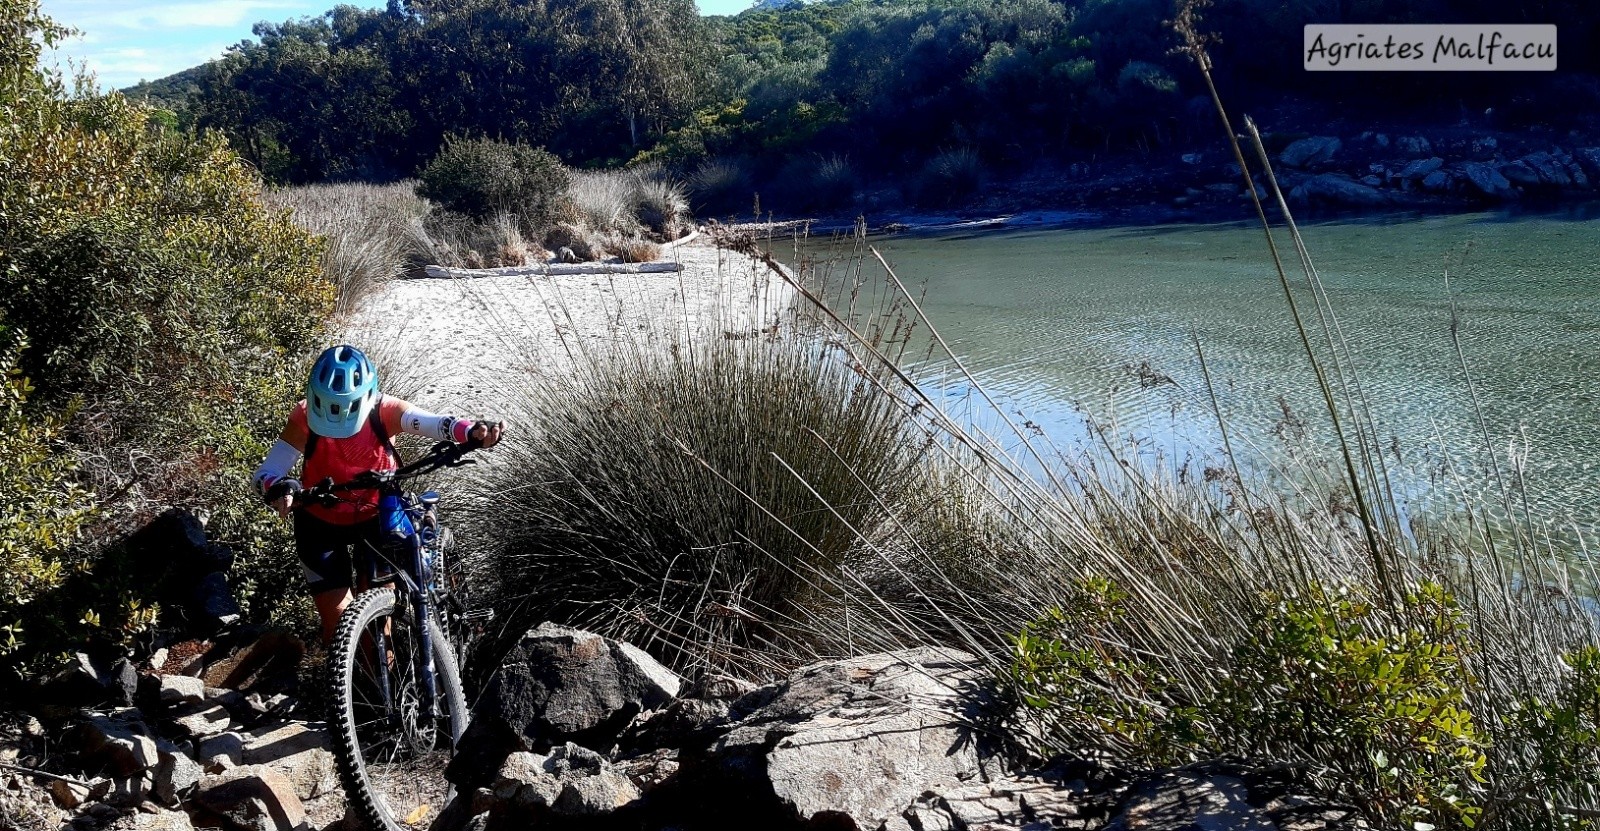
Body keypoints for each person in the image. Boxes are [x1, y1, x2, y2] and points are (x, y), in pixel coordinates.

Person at [252, 344, 504, 644]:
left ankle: (386, 683)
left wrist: (472, 431)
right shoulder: (304, 415)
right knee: (337, 624)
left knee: (378, 625)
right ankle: (347, 686)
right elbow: (267, 472)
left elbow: (434, 423)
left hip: (377, 518)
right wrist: (278, 487)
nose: (337, 419)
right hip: (318, 523)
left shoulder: (386, 410)